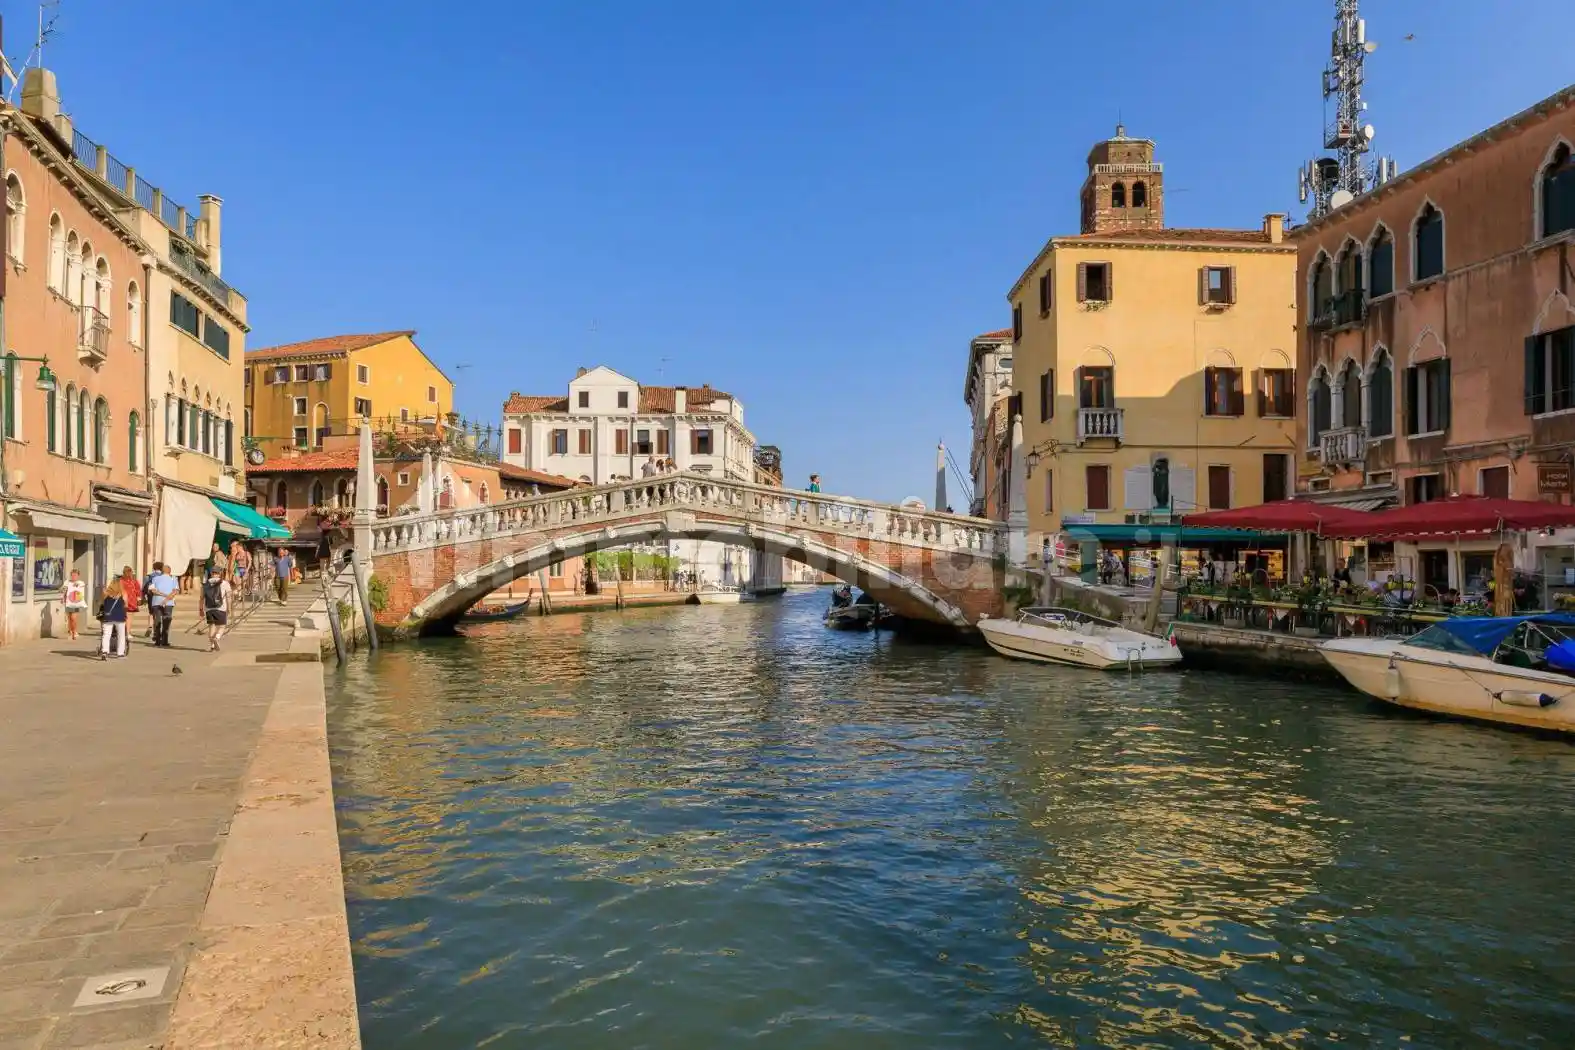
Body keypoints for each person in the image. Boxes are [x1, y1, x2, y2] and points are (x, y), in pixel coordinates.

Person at [147, 561, 179, 648]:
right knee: (166, 621)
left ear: (162, 571)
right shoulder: (174, 578)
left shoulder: (155, 578)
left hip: (156, 602)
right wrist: (166, 598)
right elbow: (175, 591)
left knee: (157, 621)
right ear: (170, 571)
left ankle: (157, 640)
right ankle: (165, 640)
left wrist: (162, 595)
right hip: (168, 603)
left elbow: (153, 590)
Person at [202, 565, 232, 652]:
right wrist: (229, 608)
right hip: (220, 607)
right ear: (220, 573)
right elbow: (229, 596)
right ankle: (217, 637)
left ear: (211, 573)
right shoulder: (224, 583)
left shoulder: (206, 583)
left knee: (212, 626)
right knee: (222, 626)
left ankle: (211, 645)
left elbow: (201, 597)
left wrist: (200, 608)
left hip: (208, 608)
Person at [98, 578, 128, 660]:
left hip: (108, 616)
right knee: (121, 635)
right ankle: (120, 653)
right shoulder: (123, 593)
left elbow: (101, 603)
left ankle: (105, 652)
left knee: (106, 634)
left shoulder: (105, 593)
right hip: (120, 616)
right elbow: (126, 605)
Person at [62, 569, 89, 641]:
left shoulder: (80, 583)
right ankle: (71, 632)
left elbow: (81, 586)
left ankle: (74, 632)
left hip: (76, 603)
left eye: (75, 575)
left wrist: (75, 584)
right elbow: (64, 590)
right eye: (73, 575)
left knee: (73, 618)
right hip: (68, 602)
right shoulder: (67, 582)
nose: (74, 576)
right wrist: (62, 598)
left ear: (78, 576)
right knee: (69, 618)